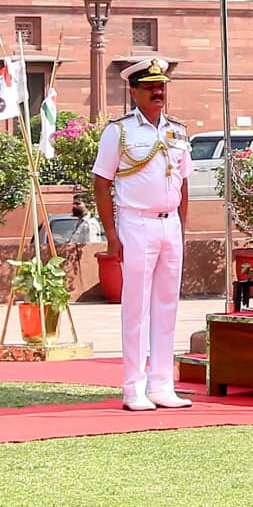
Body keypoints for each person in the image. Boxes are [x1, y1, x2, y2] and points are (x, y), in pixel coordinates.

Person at [92, 57, 192, 412]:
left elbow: (183, 183)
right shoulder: (119, 131)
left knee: (167, 306)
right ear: (133, 91)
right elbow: (102, 182)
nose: (157, 92)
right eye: (149, 87)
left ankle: (162, 382)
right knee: (136, 306)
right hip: (136, 222)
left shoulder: (177, 132)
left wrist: (182, 226)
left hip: (169, 225)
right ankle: (133, 385)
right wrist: (112, 234)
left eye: (161, 86)